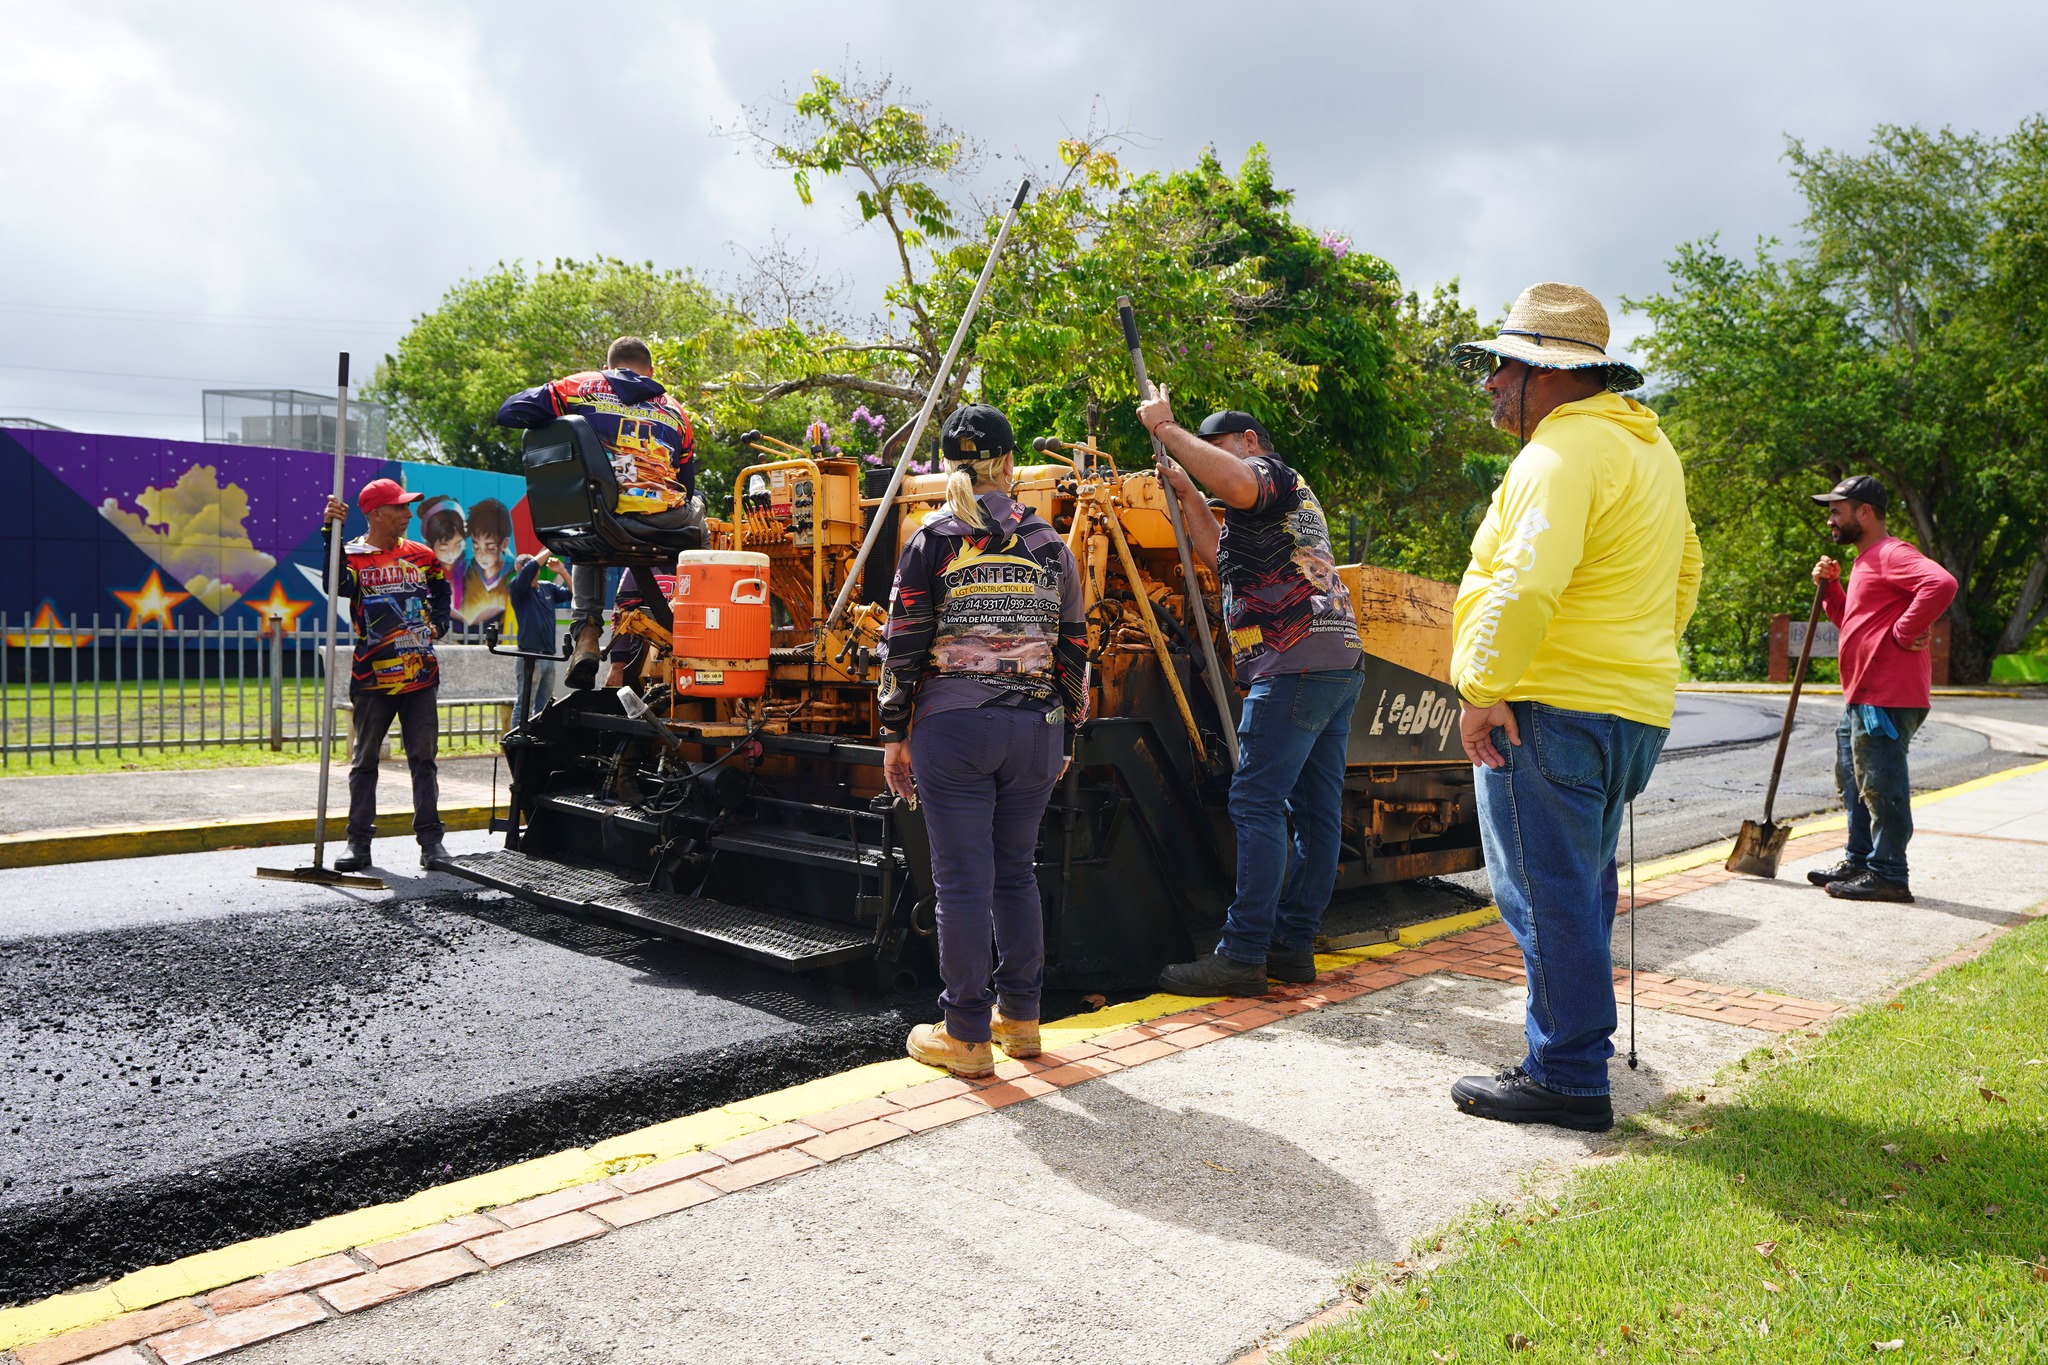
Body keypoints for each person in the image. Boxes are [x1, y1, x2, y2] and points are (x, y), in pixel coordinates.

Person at [1442, 282, 1702, 1133]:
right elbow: (1687, 571)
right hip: (1631, 707)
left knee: (1544, 895)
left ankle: (1565, 1073)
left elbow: (1522, 584)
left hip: (1550, 705)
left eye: (1500, 368)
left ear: (1547, 375)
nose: (1487, 384)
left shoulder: (1558, 455)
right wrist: (1635, 661)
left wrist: (1483, 690)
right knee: (1580, 889)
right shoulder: (1650, 452)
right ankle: (1571, 1057)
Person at [879, 404, 1089, 1078]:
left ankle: (966, 1032)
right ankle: (1021, 1021)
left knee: (962, 880)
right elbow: (1076, 648)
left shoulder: (933, 538)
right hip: (1036, 728)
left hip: (956, 726)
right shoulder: (1051, 544)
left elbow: (903, 642)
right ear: (1007, 465)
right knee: (1015, 870)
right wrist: (1066, 735)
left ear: (947, 465)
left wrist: (892, 733)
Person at [1136, 395, 1366, 997]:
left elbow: (1237, 484)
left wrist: (1165, 426)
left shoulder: (1272, 473)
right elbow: (1220, 556)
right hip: (1332, 662)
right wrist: (1188, 496)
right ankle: (1292, 947)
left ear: (1247, 441)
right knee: (1314, 811)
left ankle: (1241, 955)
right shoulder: (1272, 508)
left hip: (1293, 664)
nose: (1215, 469)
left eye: (1219, 452)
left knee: (1256, 803)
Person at [495, 336, 698, 688]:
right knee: (697, 507)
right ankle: (698, 615)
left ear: (608, 366)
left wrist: (560, 419)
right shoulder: (677, 410)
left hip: (604, 518)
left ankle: (587, 632)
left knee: (588, 523)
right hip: (664, 523)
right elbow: (688, 483)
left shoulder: (582, 387)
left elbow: (511, 412)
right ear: (650, 372)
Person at [1806, 475, 1958, 903]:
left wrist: (1904, 631)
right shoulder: (1864, 562)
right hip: (1862, 694)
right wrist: (1831, 586)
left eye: (1837, 511)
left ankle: (1889, 873)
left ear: (1865, 512)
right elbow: (1850, 622)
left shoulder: (1892, 553)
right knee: (1854, 781)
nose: (1831, 520)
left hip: (1887, 695)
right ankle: (1860, 861)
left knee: (1881, 783)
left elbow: (1942, 584)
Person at [319, 478, 453, 872]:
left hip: (421, 675)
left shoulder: (423, 555)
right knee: (364, 762)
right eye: (399, 509)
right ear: (376, 514)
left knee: (423, 760)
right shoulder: (352, 555)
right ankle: (358, 844)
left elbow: (441, 592)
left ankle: (432, 844)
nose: (407, 515)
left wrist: (439, 625)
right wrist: (331, 531)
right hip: (373, 677)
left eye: (408, 508)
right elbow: (335, 584)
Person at [506, 549, 572, 728]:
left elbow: (574, 594)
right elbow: (530, 567)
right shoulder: (518, 588)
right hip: (529, 655)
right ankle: (516, 744)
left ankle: (537, 744)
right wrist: (550, 547)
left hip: (548, 655)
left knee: (544, 707)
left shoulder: (547, 587)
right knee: (524, 704)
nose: (528, 574)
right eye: (523, 572)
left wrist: (562, 572)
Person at [460, 498, 515, 629]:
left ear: (504, 544)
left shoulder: (513, 575)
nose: (482, 555)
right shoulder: (468, 575)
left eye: (490, 547)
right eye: (476, 547)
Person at [418, 495, 469, 621]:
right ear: (429, 545)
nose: (452, 553)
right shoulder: (425, 572)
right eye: (443, 548)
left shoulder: (468, 570)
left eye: (458, 545)